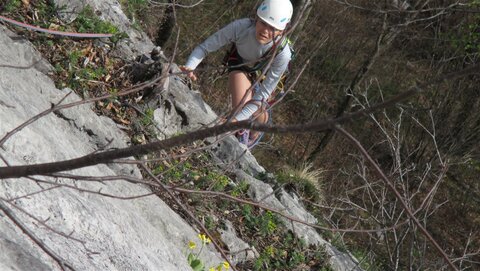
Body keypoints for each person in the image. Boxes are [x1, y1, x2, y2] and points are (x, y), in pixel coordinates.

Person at [181, 0, 293, 147]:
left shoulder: (283, 53)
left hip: (267, 75)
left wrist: (235, 121)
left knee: (257, 110)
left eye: (273, 28)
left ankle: (256, 130)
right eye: (263, 23)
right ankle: (241, 130)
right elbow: (205, 47)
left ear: (282, 31)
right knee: (240, 108)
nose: (265, 31)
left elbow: (264, 92)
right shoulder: (241, 27)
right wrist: (189, 67)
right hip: (242, 64)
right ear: (256, 18)